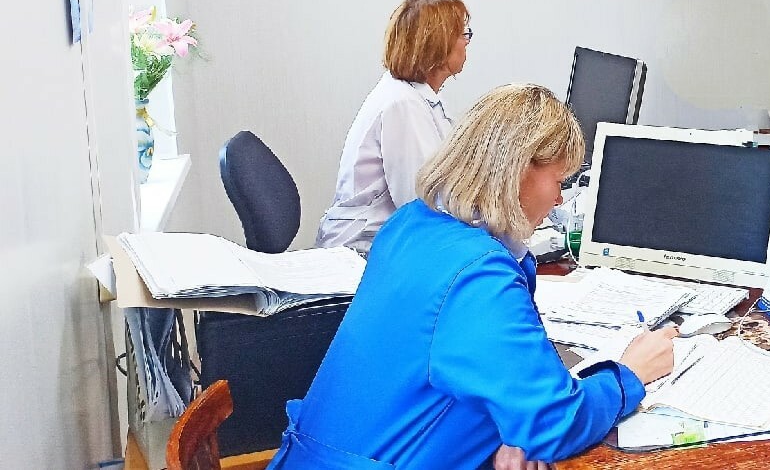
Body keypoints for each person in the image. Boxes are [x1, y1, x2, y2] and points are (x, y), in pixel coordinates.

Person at [270, 84, 679, 470]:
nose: (559, 199)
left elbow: (455, 368)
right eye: (559, 181)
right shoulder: (480, 275)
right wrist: (629, 375)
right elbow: (555, 423)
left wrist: (510, 425)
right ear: (520, 170)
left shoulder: (410, 223)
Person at [315, 0, 471, 254]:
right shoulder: (402, 104)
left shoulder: (420, 97)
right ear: (439, 44)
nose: (466, 42)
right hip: (363, 249)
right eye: (462, 34)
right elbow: (422, 202)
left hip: (392, 239)